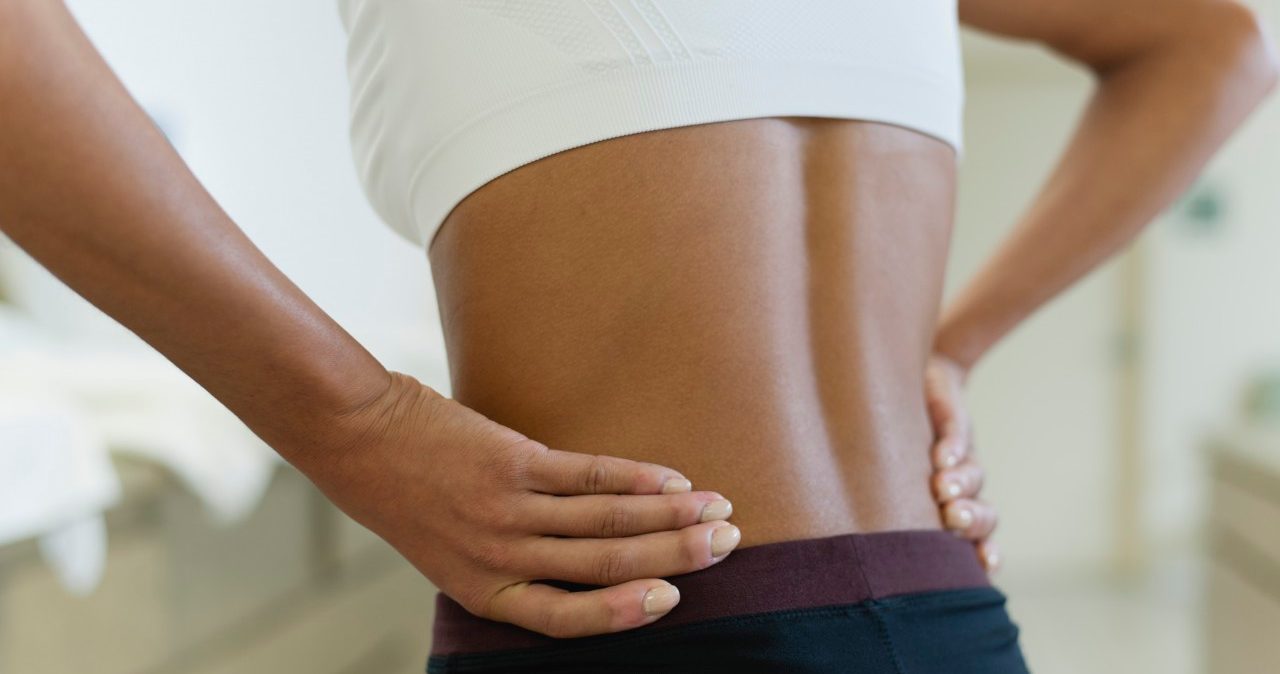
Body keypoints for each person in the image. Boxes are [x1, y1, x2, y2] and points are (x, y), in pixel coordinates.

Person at [1, 0, 1274, 672]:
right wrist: (945, 346)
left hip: (638, 622)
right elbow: (1215, 41)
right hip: (942, 619)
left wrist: (356, 418)